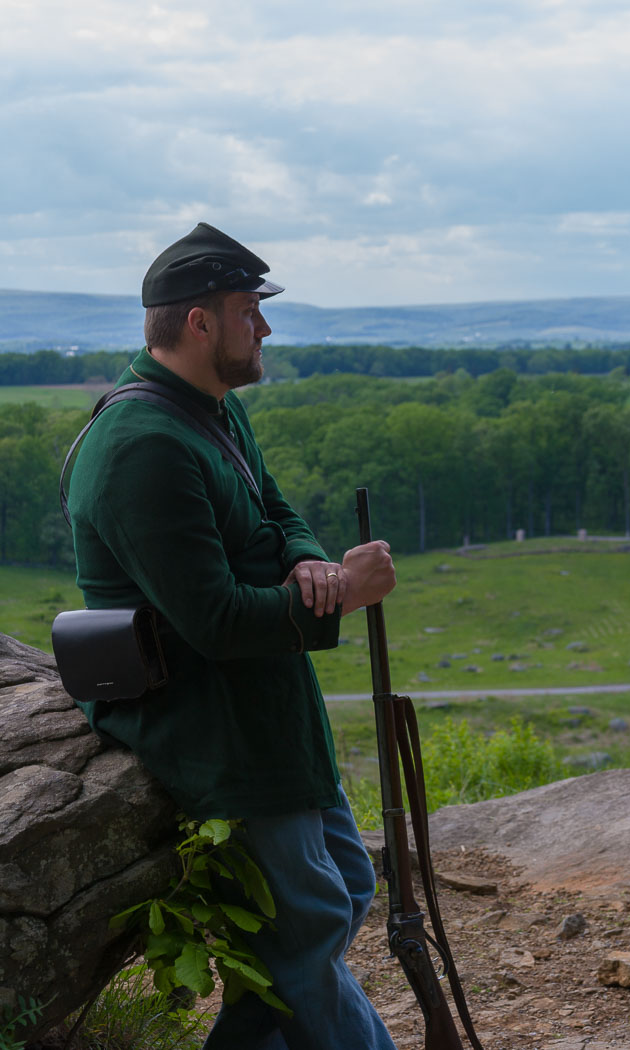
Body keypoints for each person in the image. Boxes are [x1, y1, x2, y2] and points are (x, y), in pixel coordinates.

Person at [68, 222, 398, 1050]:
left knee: (345, 886)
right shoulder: (143, 443)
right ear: (199, 323)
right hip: (210, 722)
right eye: (251, 310)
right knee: (308, 925)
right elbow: (211, 622)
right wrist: (347, 597)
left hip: (263, 708)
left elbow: (274, 509)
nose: (267, 328)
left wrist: (312, 562)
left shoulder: (205, 411)